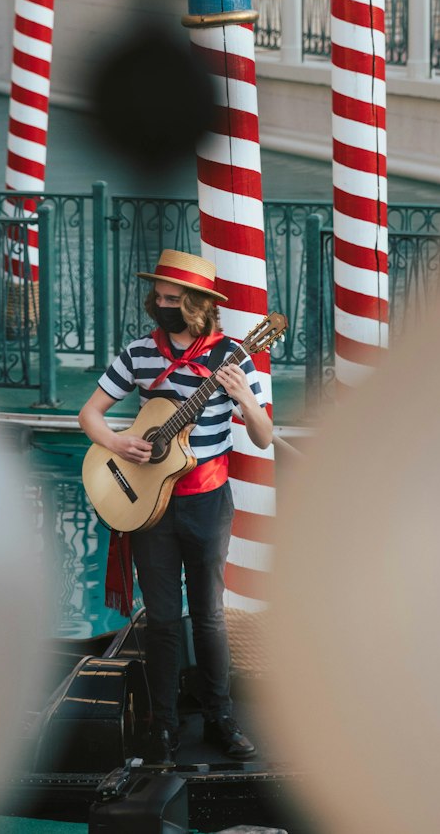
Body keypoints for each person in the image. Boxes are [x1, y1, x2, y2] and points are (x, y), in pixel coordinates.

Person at [79, 248, 273, 763]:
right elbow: (90, 414)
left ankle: (220, 719)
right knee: (162, 618)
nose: (161, 306)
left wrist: (246, 400)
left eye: (172, 299)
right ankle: (162, 726)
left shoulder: (235, 356)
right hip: (150, 505)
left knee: (208, 615)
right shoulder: (140, 352)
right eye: (158, 297)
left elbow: (263, 435)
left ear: (197, 304)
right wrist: (119, 444)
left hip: (207, 502)